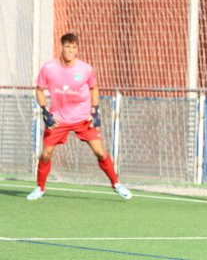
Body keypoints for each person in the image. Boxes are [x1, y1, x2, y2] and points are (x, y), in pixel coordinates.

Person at [27, 33, 132, 201]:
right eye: (67, 47)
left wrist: (95, 110)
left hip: (83, 118)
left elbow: (94, 88)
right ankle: (40, 188)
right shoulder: (48, 68)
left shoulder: (86, 69)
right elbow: (39, 89)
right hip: (58, 119)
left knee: (100, 152)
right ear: (61, 47)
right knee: (46, 154)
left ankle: (116, 184)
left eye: (74, 47)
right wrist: (44, 111)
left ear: (77, 49)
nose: (70, 50)